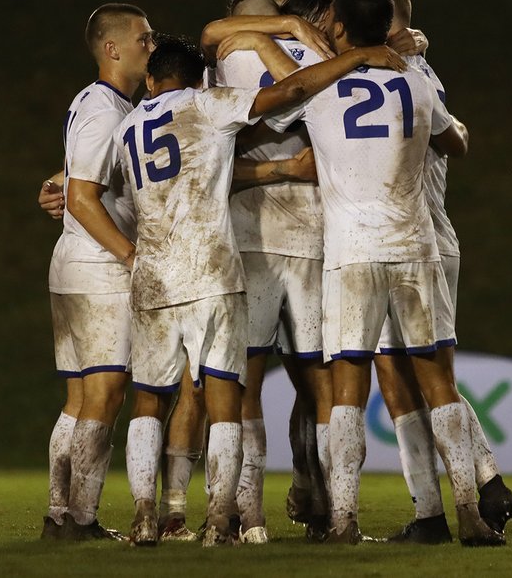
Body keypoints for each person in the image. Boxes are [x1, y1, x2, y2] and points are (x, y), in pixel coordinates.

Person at [104, 35, 406, 547]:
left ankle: (143, 516)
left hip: (152, 273)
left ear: (151, 80)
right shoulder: (207, 103)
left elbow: (99, 183)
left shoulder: (128, 125)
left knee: (149, 401)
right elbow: (287, 93)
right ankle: (220, 519)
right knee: (224, 397)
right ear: (198, 77)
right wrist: (352, 58)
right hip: (210, 271)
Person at [264, 0, 497, 546]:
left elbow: (269, 102)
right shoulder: (414, 84)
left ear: (337, 26)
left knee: (347, 388)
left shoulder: (318, 92)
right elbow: (456, 143)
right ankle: (468, 511)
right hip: (414, 247)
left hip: (353, 254)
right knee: (439, 381)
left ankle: (344, 520)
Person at [368, 0, 512, 545]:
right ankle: (485, 482)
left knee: (409, 379)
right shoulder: (421, 70)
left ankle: (439, 510)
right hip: (432, 237)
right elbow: (456, 136)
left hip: (403, 241)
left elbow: (454, 139)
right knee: (421, 376)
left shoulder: (391, 71)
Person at [212, 0, 337, 544]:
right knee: (325, 385)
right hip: (314, 243)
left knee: (245, 384)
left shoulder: (214, 78)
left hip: (252, 242)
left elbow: (209, 169)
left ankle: (247, 515)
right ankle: (338, 512)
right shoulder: (325, 69)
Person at [37, 3, 155, 541]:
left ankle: (59, 514)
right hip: (99, 269)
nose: (149, 47)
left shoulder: (95, 102)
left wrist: (55, 182)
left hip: (75, 265)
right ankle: (81, 520)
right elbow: (84, 199)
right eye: (143, 38)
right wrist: (132, 257)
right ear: (112, 49)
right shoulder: (107, 108)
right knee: (105, 397)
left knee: (80, 400)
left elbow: (75, 179)